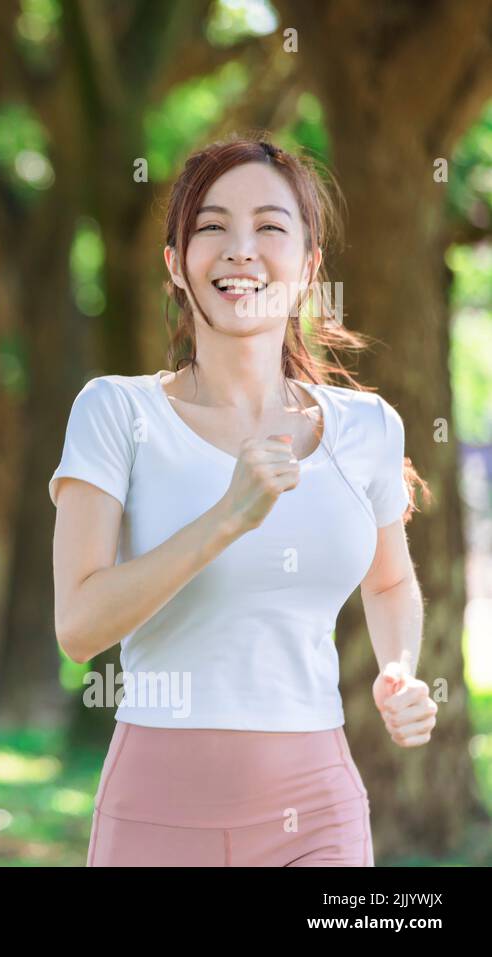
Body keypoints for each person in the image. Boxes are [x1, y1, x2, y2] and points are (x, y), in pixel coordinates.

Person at [49, 136, 438, 867]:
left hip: (317, 810)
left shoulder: (368, 427)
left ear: (309, 266)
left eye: (269, 226)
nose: (241, 249)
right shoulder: (116, 412)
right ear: (175, 263)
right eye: (212, 226)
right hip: (158, 810)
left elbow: (389, 582)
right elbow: (78, 627)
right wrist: (227, 518)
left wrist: (400, 668)